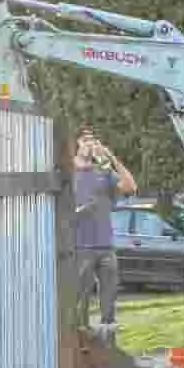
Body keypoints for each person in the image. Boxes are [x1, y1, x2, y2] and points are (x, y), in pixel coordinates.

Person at [72, 132, 135, 339]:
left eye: (94, 140)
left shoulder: (104, 172)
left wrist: (111, 157)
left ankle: (108, 336)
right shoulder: (69, 172)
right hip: (80, 245)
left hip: (105, 245)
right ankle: (79, 335)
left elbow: (130, 187)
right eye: (86, 140)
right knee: (80, 294)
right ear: (77, 144)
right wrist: (79, 212)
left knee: (109, 294)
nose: (91, 144)